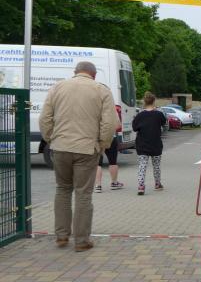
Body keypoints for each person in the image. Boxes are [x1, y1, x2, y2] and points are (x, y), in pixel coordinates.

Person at [39, 61, 118, 252]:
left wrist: (51, 139)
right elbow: (109, 123)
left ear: (75, 72)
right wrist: (102, 144)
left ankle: (61, 235)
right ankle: (81, 240)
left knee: (62, 189)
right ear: (94, 75)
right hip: (87, 149)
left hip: (60, 147)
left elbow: (44, 119)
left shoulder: (57, 88)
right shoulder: (101, 91)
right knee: (83, 193)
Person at [132, 92, 167, 195]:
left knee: (142, 166)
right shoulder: (159, 114)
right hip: (156, 144)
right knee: (156, 166)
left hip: (142, 144)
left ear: (144, 101)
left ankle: (141, 186)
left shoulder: (139, 115)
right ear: (154, 101)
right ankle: (157, 184)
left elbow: (134, 128)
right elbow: (164, 123)